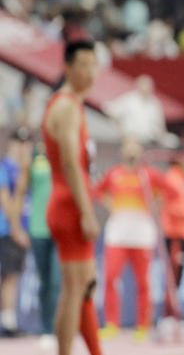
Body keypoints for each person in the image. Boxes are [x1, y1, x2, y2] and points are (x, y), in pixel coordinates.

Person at [42, 39, 103, 355]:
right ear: (67, 67)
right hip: (69, 205)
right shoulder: (65, 106)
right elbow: (69, 163)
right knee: (74, 289)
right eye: (83, 65)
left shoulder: (71, 104)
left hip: (71, 202)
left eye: (94, 65)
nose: (90, 72)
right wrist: (86, 212)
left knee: (83, 287)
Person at [92, 137, 173, 340]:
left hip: (142, 233)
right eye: (128, 149)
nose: (131, 153)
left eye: (135, 149)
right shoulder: (114, 174)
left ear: (140, 153)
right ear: (122, 152)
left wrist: (157, 203)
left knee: (143, 282)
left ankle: (142, 325)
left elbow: (169, 192)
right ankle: (111, 323)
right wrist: (109, 202)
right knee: (110, 277)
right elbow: (96, 191)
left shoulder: (149, 175)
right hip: (118, 232)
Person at [28, 139, 60, 350]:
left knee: (57, 281)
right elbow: (24, 186)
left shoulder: (66, 154)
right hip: (38, 227)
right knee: (45, 281)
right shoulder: (36, 157)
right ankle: (46, 328)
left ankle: (58, 328)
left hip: (60, 229)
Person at [160, 155, 184, 335]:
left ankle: (174, 314)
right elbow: (167, 205)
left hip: (183, 233)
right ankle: (168, 315)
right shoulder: (172, 178)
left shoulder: (182, 179)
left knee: (178, 276)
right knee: (172, 276)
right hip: (174, 233)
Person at [0, 127, 32, 338]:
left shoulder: (24, 169)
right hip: (8, 230)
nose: (23, 148)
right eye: (19, 143)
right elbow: (5, 199)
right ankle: (8, 323)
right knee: (9, 276)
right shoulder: (6, 168)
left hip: (20, 228)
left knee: (14, 275)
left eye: (26, 143)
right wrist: (16, 229)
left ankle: (10, 319)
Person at [104, 75, 176, 147]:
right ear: (138, 85)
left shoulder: (154, 103)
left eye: (149, 86)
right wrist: (122, 131)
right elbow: (111, 111)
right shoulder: (129, 99)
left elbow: (160, 125)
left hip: (148, 142)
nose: (147, 88)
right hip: (131, 141)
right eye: (144, 85)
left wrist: (163, 137)